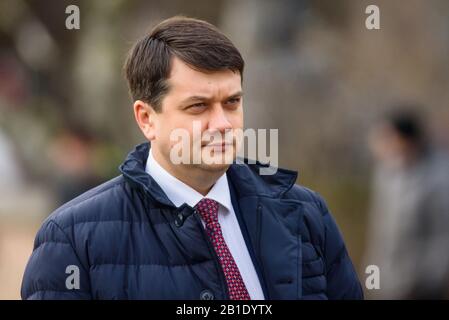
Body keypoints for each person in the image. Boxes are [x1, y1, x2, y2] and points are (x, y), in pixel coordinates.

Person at [21, 16, 362, 300]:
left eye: (232, 102)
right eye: (198, 106)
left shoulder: (306, 214)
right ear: (146, 118)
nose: (223, 123)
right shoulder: (72, 239)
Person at [365, 109, 449, 299]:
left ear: (406, 140)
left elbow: (443, 237)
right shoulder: (385, 174)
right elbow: (380, 232)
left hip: (420, 287)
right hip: (386, 282)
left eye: (388, 138)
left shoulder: (439, 176)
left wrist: (426, 281)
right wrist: (372, 276)